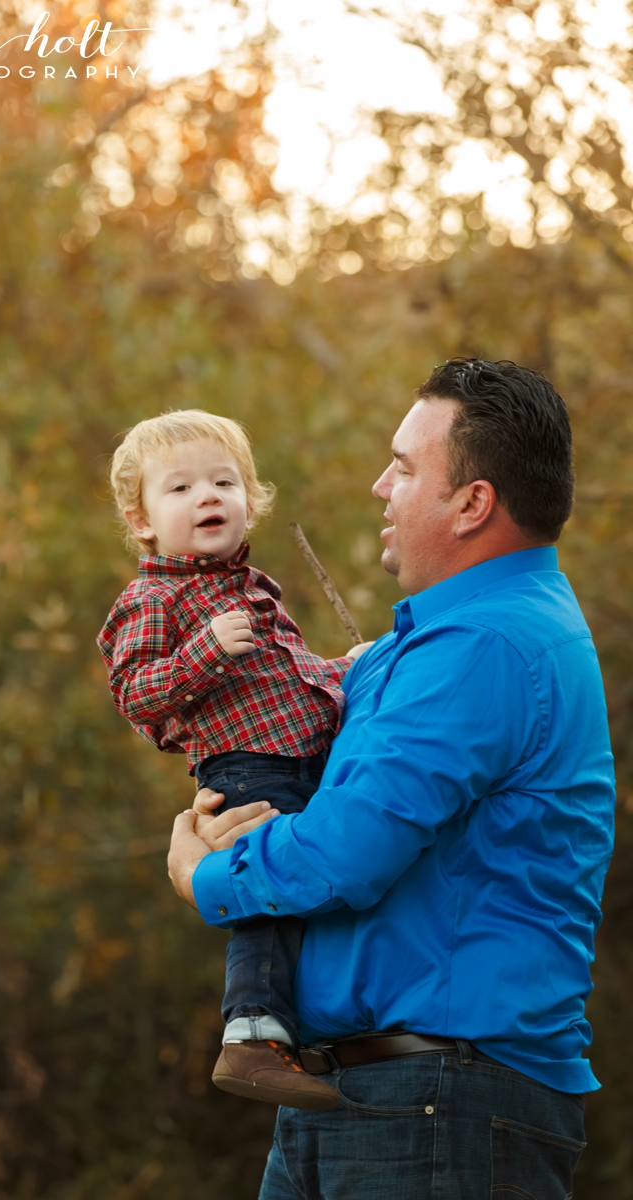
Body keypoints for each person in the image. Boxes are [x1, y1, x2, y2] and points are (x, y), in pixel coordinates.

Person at [167, 359, 616, 1198]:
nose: (381, 485)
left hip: (438, 1102)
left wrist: (206, 874)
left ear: (473, 504)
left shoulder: (485, 645)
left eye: (405, 467)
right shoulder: (436, 647)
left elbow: (346, 852)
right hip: (366, 1095)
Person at [99, 410, 370, 1110]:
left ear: (252, 500)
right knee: (268, 892)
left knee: (309, 896)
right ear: (143, 521)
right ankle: (249, 1037)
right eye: (182, 488)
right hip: (246, 765)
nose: (208, 496)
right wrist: (205, 651)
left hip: (301, 759)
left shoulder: (254, 589)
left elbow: (291, 678)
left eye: (224, 481)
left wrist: (349, 669)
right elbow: (136, 694)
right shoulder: (153, 597)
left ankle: (299, 1034)